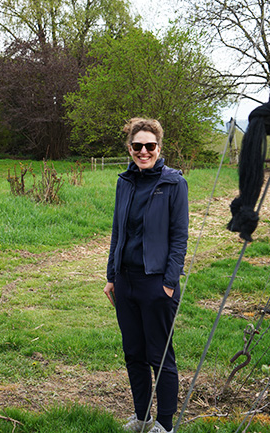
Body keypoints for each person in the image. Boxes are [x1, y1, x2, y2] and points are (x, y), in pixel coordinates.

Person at [103, 118, 189, 433]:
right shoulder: (124, 181)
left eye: (149, 146)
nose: (143, 151)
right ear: (129, 148)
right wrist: (112, 275)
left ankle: (164, 425)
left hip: (157, 284)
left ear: (158, 148)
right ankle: (142, 417)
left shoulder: (173, 183)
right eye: (137, 146)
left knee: (160, 355)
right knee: (134, 353)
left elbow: (179, 238)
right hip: (126, 283)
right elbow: (117, 231)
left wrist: (168, 283)